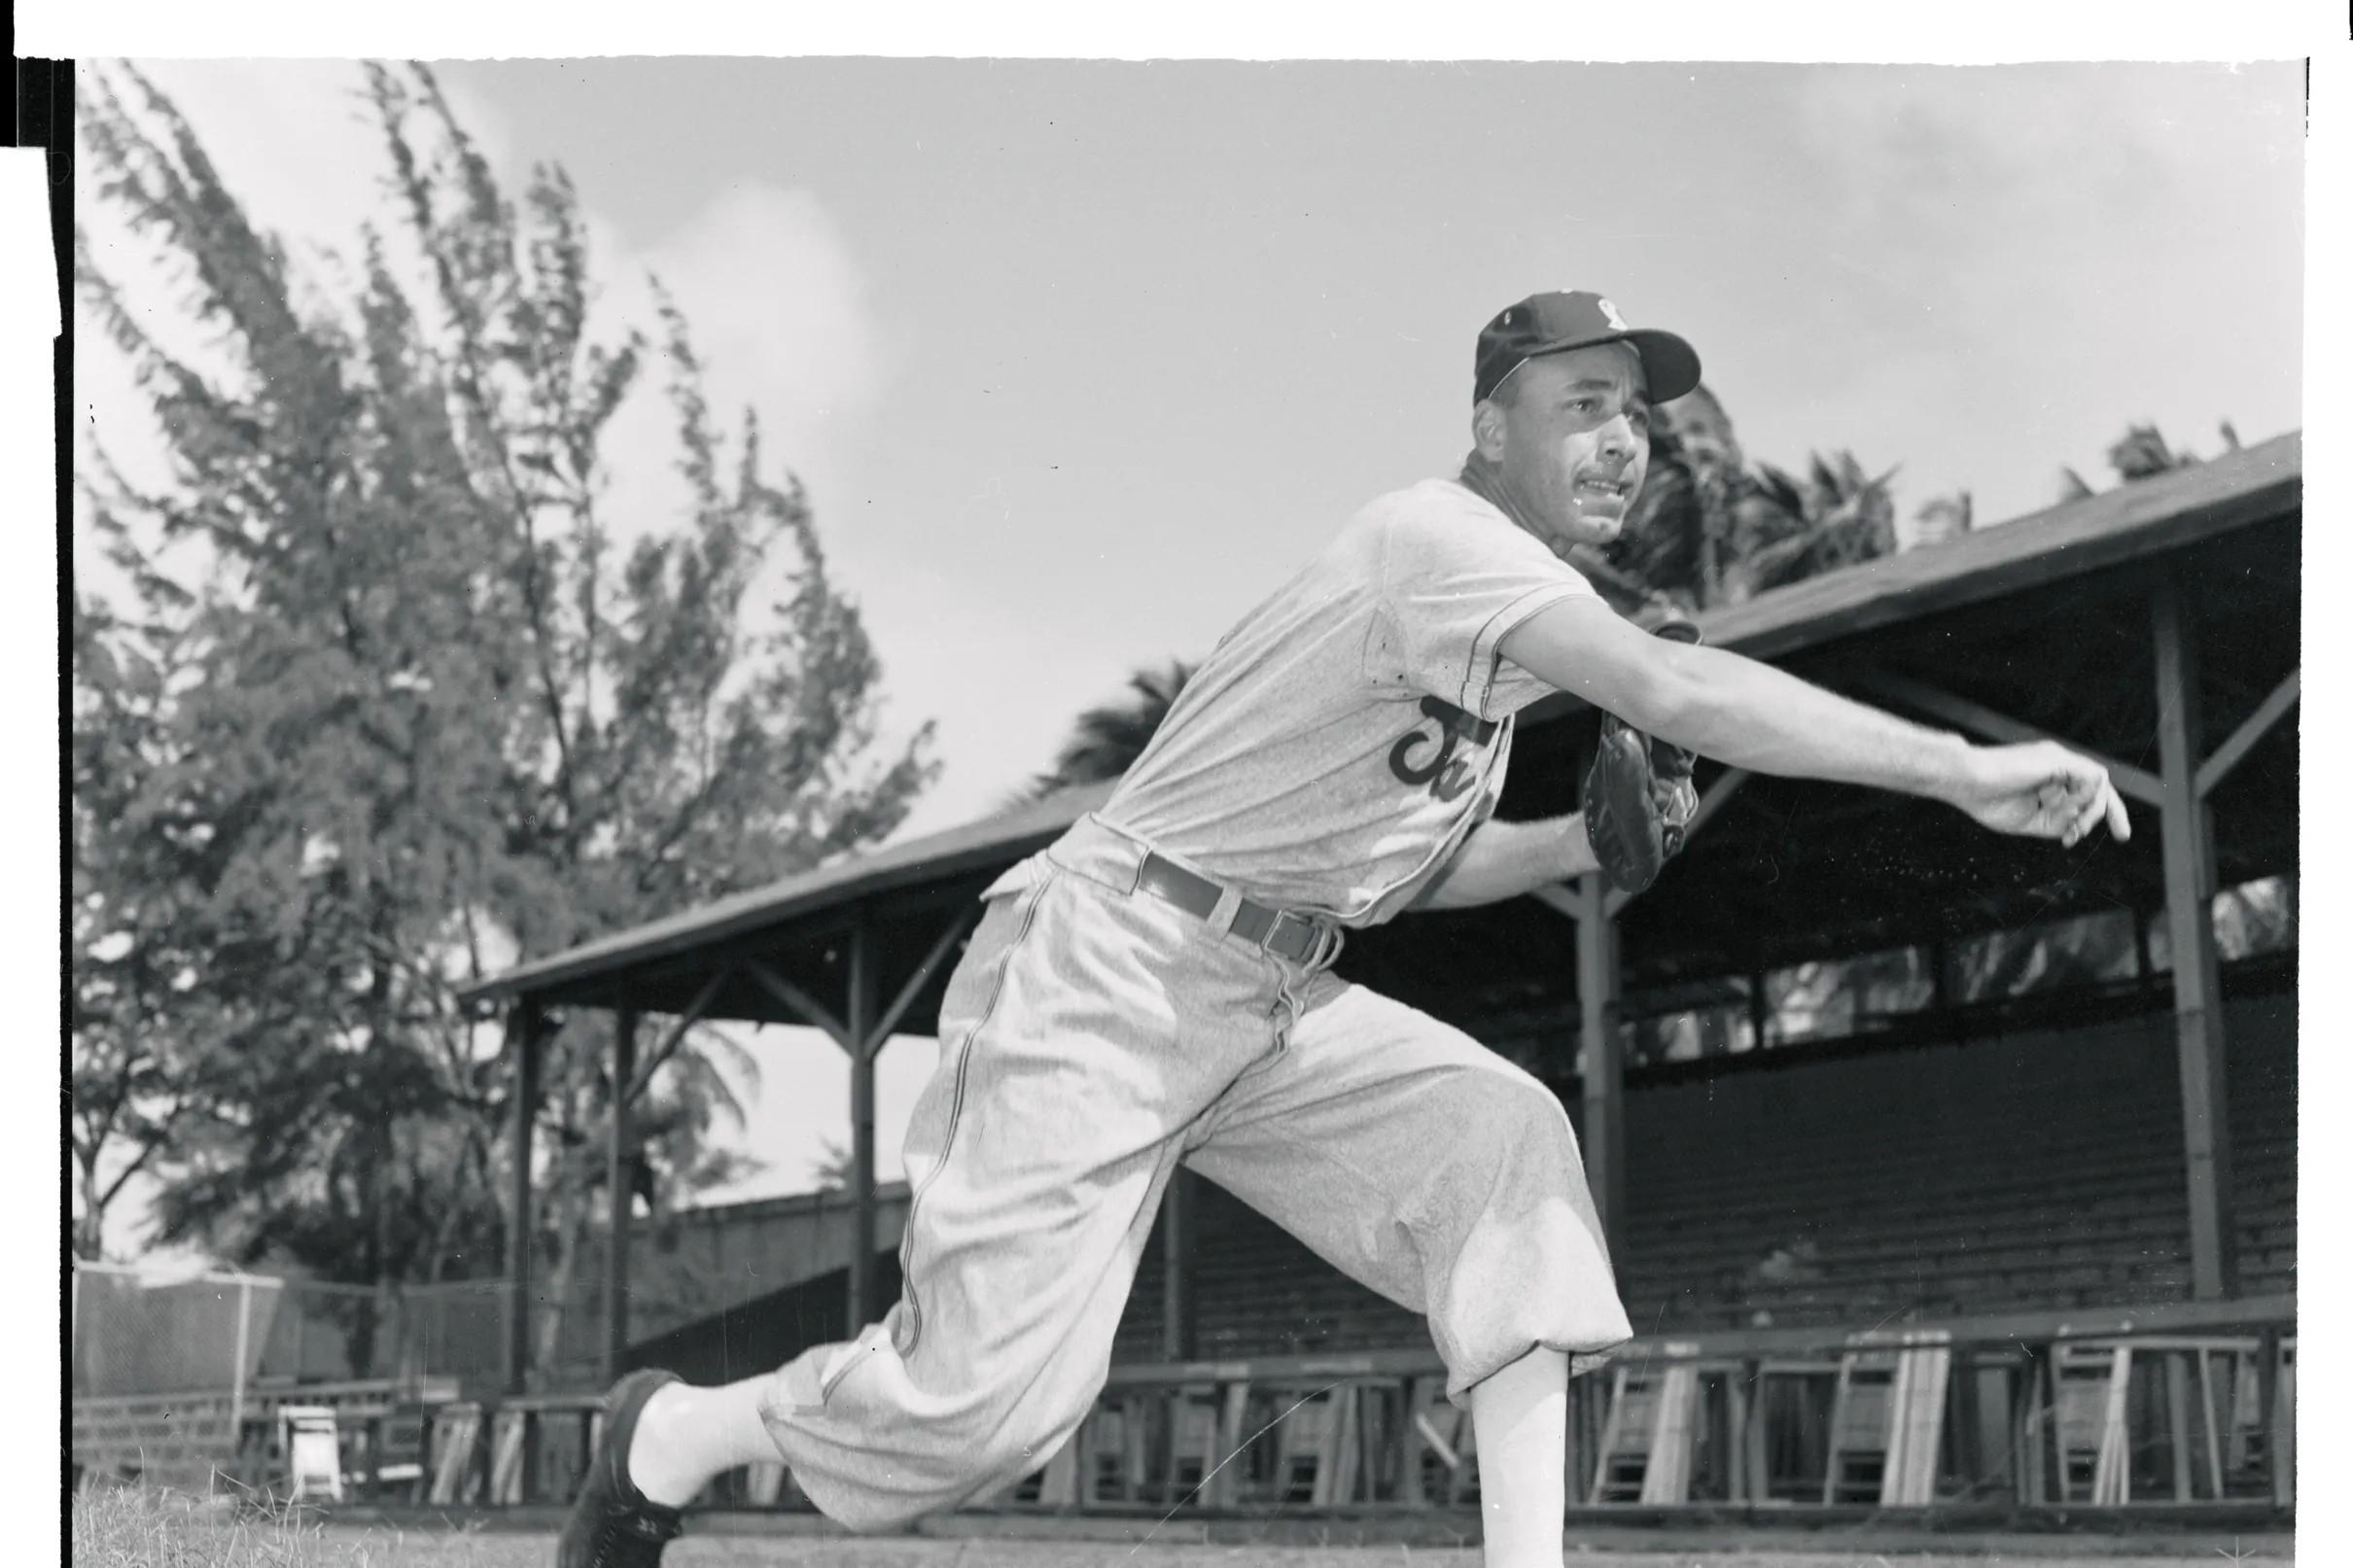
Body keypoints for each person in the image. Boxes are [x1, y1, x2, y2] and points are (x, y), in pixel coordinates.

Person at [559, 291, 2127, 1568]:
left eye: (1633, 413)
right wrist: (1966, 769)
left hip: (1274, 990)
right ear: (1488, 423)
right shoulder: (1433, 544)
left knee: (1508, 1143)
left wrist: (1571, 844)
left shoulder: (1490, 679)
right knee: (979, 1416)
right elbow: (1669, 686)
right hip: (1112, 962)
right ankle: (672, 1437)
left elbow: (1403, 878)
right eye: (1580, 403)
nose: (1620, 438)